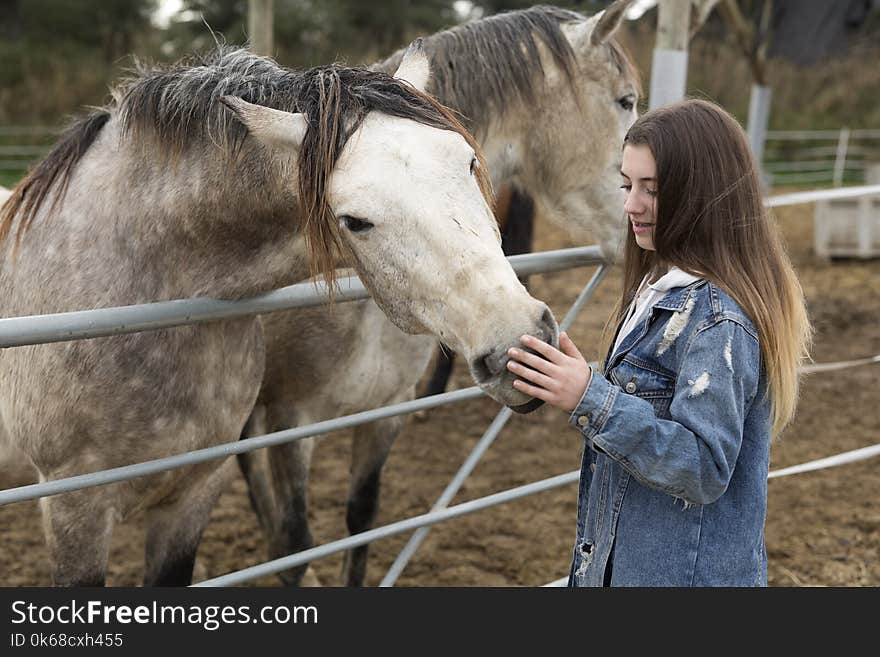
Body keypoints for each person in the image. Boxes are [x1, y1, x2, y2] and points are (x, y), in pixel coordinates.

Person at [506, 98, 812, 587]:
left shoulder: (719, 319)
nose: (630, 204)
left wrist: (590, 397)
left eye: (652, 189)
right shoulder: (662, 291)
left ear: (703, 194)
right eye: (627, 184)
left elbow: (703, 467)